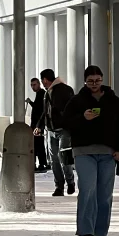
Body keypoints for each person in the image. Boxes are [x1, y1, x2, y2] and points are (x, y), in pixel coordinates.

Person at [61, 65, 119, 236]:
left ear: (102, 79)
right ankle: (87, 231)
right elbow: (65, 123)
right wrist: (82, 118)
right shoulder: (77, 101)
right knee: (87, 189)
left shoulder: (113, 100)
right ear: (85, 81)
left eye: (97, 80)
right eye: (90, 81)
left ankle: (100, 232)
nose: (94, 84)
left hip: (108, 153)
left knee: (105, 193)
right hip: (83, 151)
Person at [40, 68, 76, 197]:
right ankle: (60, 186)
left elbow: (69, 109)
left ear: (45, 80)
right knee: (55, 159)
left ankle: (68, 183)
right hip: (51, 129)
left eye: (42, 81)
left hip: (63, 129)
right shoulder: (49, 92)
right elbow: (45, 111)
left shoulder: (63, 90)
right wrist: (40, 125)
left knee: (62, 157)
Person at [27, 77, 48, 172]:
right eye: (31, 85)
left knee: (38, 144)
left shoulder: (42, 94)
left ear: (39, 84)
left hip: (38, 124)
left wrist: (39, 126)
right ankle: (40, 163)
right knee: (37, 144)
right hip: (36, 123)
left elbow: (40, 109)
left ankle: (41, 164)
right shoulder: (39, 94)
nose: (33, 87)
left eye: (34, 84)